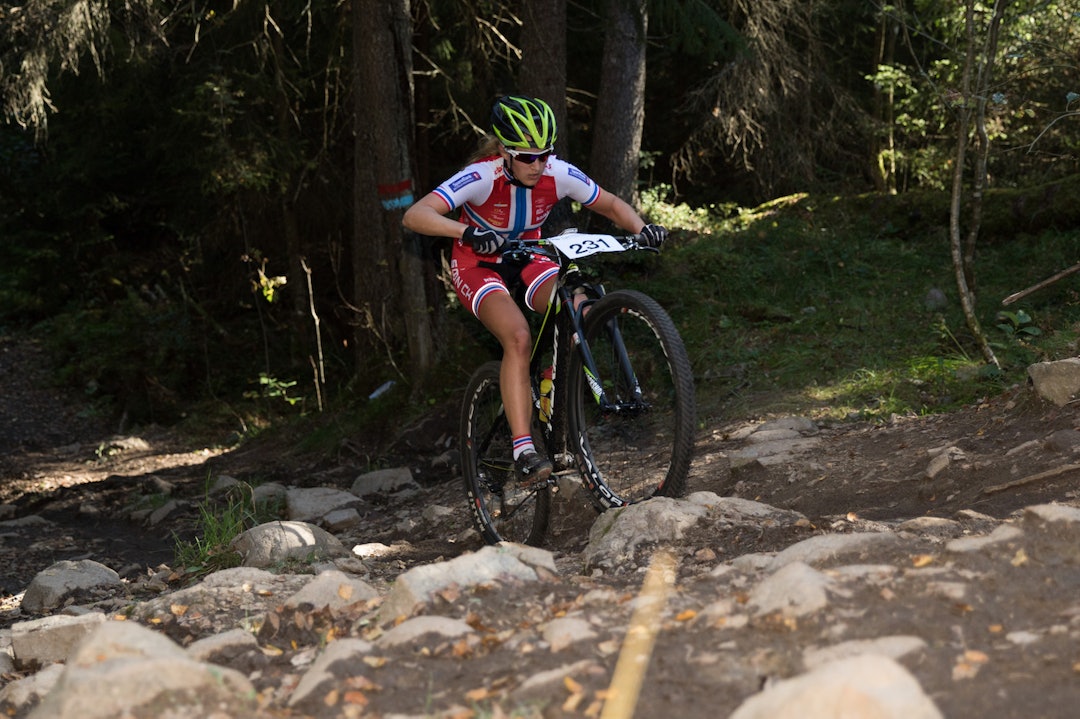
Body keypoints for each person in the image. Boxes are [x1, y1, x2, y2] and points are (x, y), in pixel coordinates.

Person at [403, 95, 668, 489]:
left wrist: (642, 229)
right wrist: (467, 232)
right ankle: (523, 450)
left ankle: (551, 382)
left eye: (545, 155)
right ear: (504, 152)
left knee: (579, 304)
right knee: (518, 336)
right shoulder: (481, 176)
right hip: (478, 264)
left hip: (529, 255)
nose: (538, 165)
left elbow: (610, 204)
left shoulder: (556, 172)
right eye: (527, 157)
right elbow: (415, 215)